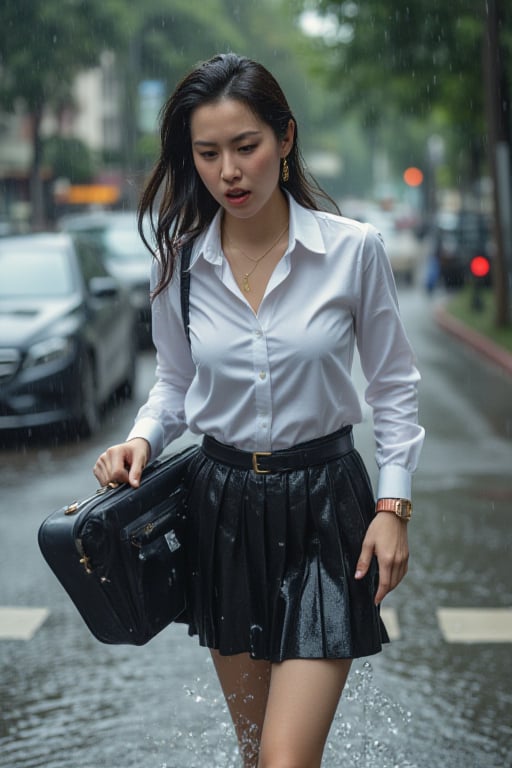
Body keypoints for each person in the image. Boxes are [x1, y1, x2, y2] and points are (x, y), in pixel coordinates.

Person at [93, 53, 424, 768]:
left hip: (326, 506)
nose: (229, 171)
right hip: (225, 511)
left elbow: (394, 387)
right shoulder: (178, 264)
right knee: (256, 755)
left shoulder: (352, 251)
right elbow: (175, 385)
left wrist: (392, 509)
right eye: (207, 153)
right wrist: (142, 438)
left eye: (246, 146)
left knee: (285, 759)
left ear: (285, 138)